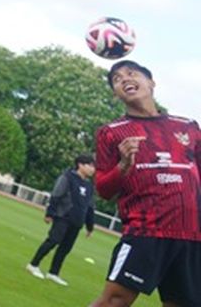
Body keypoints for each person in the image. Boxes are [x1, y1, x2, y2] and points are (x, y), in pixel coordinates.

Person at [85, 60, 200, 307]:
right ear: (116, 94)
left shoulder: (188, 127)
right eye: (116, 79)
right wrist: (123, 166)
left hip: (193, 235)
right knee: (114, 301)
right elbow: (104, 189)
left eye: (132, 73)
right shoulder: (111, 132)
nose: (124, 79)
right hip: (147, 231)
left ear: (151, 83)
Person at [28, 153, 98, 285]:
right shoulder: (67, 177)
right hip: (63, 217)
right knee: (53, 241)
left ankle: (53, 273)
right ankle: (33, 264)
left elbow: (90, 207)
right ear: (80, 165)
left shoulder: (89, 186)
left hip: (77, 221)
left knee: (65, 248)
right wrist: (50, 213)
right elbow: (56, 195)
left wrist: (90, 226)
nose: (92, 169)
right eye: (90, 165)